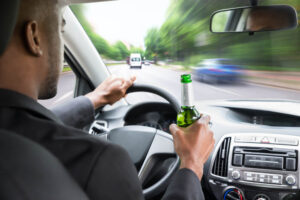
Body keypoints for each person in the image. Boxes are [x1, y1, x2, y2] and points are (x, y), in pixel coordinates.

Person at [0, 0, 215, 200]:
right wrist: (191, 164)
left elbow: (27, 126)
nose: (61, 41)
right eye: (60, 29)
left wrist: (96, 98)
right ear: (34, 37)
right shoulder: (101, 162)